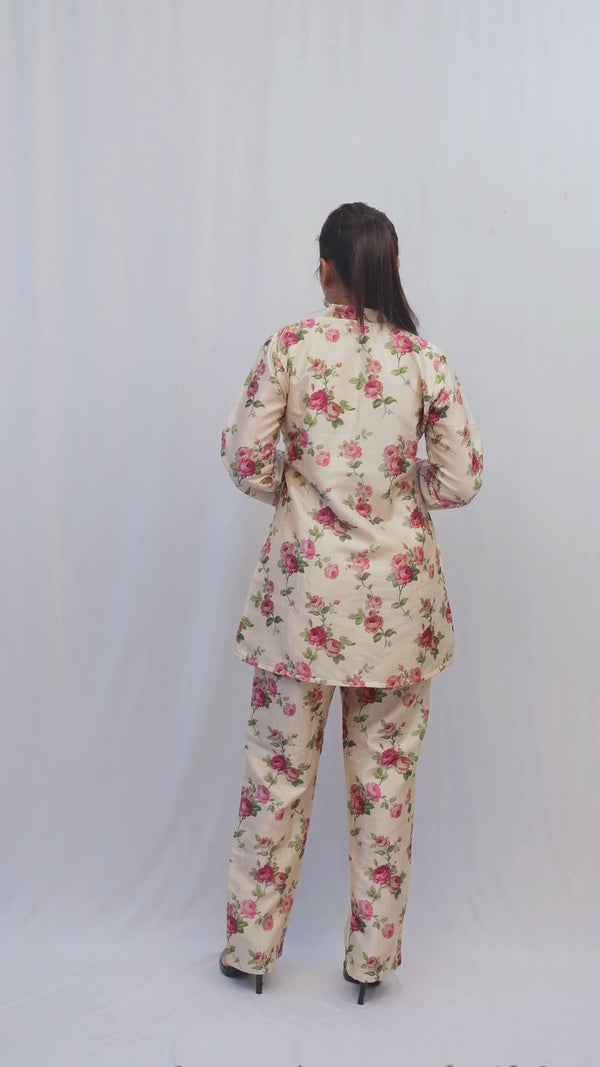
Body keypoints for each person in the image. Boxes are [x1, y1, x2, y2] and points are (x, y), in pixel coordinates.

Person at [218, 201, 483, 1004]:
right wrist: (399, 492)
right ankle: (370, 965)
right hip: (397, 610)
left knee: (276, 774)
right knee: (385, 781)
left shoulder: (291, 347)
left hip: (300, 603)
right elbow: (460, 480)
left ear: (325, 268)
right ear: (393, 268)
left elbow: (245, 459)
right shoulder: (424, 360)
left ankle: (250, 952)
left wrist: (303, 495)